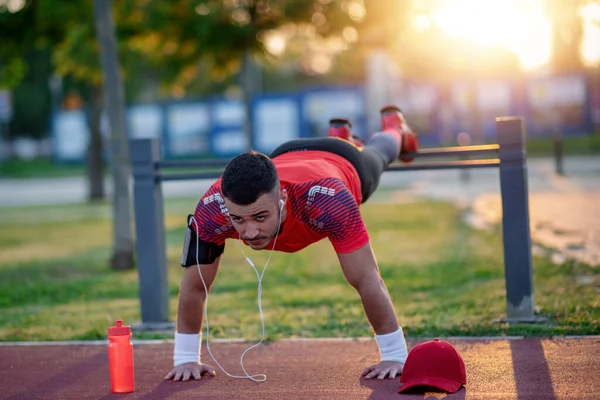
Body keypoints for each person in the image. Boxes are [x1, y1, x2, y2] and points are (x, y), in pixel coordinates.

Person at [164, 105, 419, 382]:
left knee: (379, 154)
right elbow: (194, 284)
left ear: (282, 200)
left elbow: (367, 279)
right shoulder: (212, 209)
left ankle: (396, 129)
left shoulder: (329, 201)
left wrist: (394, 355)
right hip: (285, 153)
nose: (249, 232)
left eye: (260, 217)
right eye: (237, 219)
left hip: (342, 161)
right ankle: (344, 135)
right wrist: (186, 359)